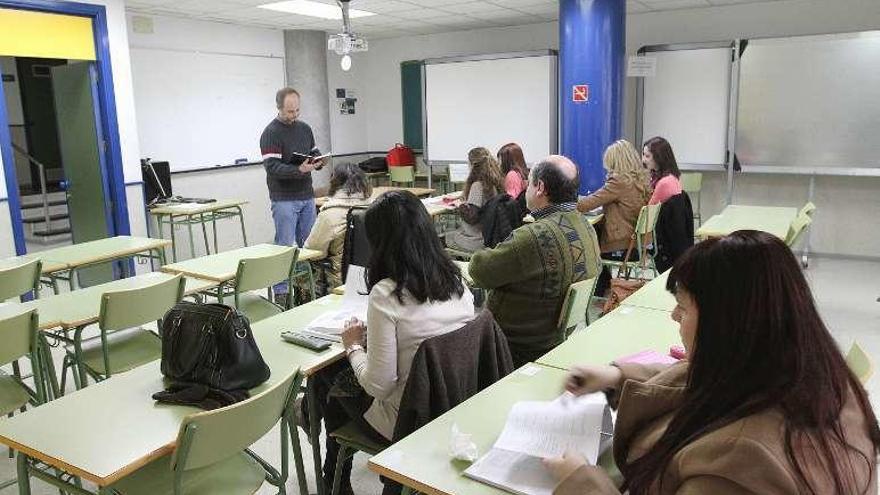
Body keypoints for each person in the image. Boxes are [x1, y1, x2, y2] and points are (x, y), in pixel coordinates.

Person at [546, 231, 880, 495]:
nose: (674, 316)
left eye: (684, 307)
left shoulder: (742, 464)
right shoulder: (810, 374)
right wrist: (616, 375)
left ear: (727, 325)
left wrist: (580, 482)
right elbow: (709, 376)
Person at [310, 191, 475, 494]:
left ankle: (333, 477)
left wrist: (353, 346)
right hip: (452, 406)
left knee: (327, 379)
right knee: (334, 381)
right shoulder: (458, 282)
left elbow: (379, 386)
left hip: (407, 421)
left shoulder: (387, 293)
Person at [470, 155, 601, 367]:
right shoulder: (586, 227)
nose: (525, 187)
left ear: (539, 187)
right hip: (554, 341)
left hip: (513, 348)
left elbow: (479, 271)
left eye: (528, 182)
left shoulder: (535, 237)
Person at [260, 87, 324, 306]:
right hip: (284, 198)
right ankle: (281, 294)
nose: (294, 115)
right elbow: (272, 167)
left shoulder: (305, 129)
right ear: (279, 108)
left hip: (306, 195)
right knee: (285, 246)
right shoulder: (271, 133)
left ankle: (307, 287)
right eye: (289, 111)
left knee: (309, 244)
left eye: (297, 110)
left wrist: (317, 161)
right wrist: (299, 170)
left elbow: (313, 151)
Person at [577, 140, 651, 295]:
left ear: (616, 162)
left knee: (586, 247)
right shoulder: (641, 180)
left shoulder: (619, 181)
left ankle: (597, 290)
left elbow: (586, 204)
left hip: (620, 245)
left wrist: (567, 200)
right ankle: (603, 285)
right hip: (637, 244)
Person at [302, 163, 372, 289]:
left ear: (334, 182)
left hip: (339, 282)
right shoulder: (373, 209)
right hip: (371, 277)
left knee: (300, 268)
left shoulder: (329, 214)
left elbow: (313, 252)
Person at [445, 147, 504, 253]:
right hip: (489, 236)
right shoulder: (494, 183)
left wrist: (460, 206)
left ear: (472, 165)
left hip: (476, 240)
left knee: (443, 238)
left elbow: (472, 218)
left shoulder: (477, 185)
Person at [643, 136, 682, 205]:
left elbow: (649, 211)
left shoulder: (664, 183)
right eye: (643, 155)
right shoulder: (673, 177)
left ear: (658, 157)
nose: (643, 160)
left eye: (647, 156)